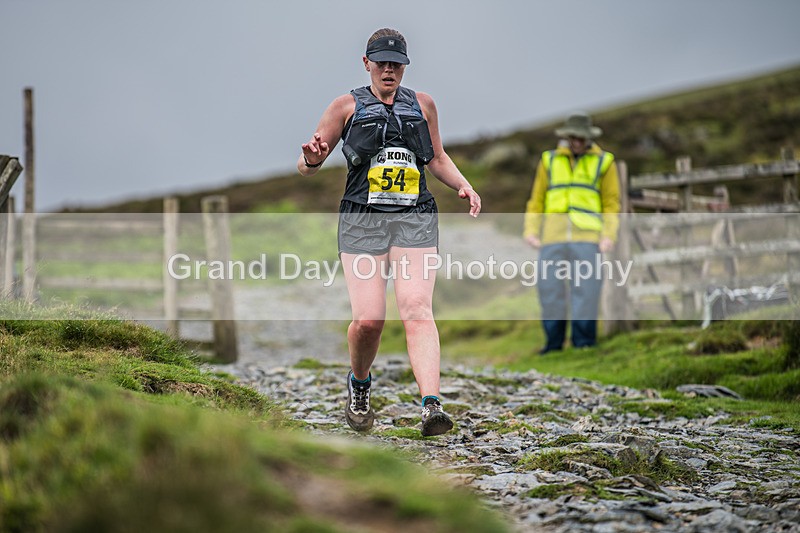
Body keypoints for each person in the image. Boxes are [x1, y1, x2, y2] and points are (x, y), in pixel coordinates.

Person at [297, 28, 481, 436]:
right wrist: (311, 160)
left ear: (404, 67)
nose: (388, 70)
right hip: (362, 220)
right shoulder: (345, 107)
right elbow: (307, 163)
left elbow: (436, 157)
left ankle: (431, 405)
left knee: (416, 308)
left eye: (395, 64)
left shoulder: (424, 105)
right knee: (369, 320)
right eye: (381, 62)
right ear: (366, 64)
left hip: (415, 217)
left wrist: (463, 185)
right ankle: (359, 384)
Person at [523, 112, 620, 353]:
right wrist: (531, 230)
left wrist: (609, 235)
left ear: (589, 138)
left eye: (581, 138)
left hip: (588, 238)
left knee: (586, 291)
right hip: (552, 237)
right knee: (549, 290)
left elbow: (611, 203)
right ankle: (553, 345)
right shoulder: (549, 160)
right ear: (566, 137)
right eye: (573, 137)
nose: (577, 142)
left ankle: (584, 343)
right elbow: (536, 200)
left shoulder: (604, 162)